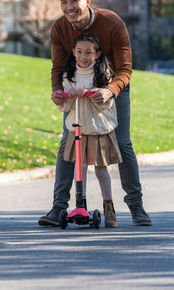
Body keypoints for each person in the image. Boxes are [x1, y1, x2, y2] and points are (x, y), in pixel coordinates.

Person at [38, 0, 152, 227]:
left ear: (87, 0)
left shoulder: (112, 23)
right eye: (63, 2)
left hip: (113, 89)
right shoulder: (59, 28)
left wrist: (110, 91)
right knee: (68, 143)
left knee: (122, 143)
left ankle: (136, 206)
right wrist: (57, 92)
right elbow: (58, 67)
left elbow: (125, 69)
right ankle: (59, 208)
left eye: (74, 1)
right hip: (78, 90)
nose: (69, 7)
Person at [57, 33, 121, 227]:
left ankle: (109, 207)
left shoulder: (103, 74)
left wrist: (89, 94)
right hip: (78, 129)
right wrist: (63, 97)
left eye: (88, 53)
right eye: (79, 52)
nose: (83, 57)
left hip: (97, 128)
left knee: (101, 170)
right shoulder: (70, 75)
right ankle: (80, 205)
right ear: (73, 52)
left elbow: (106, 104)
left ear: (97, 54)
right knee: (81, 168)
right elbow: (67, 106)